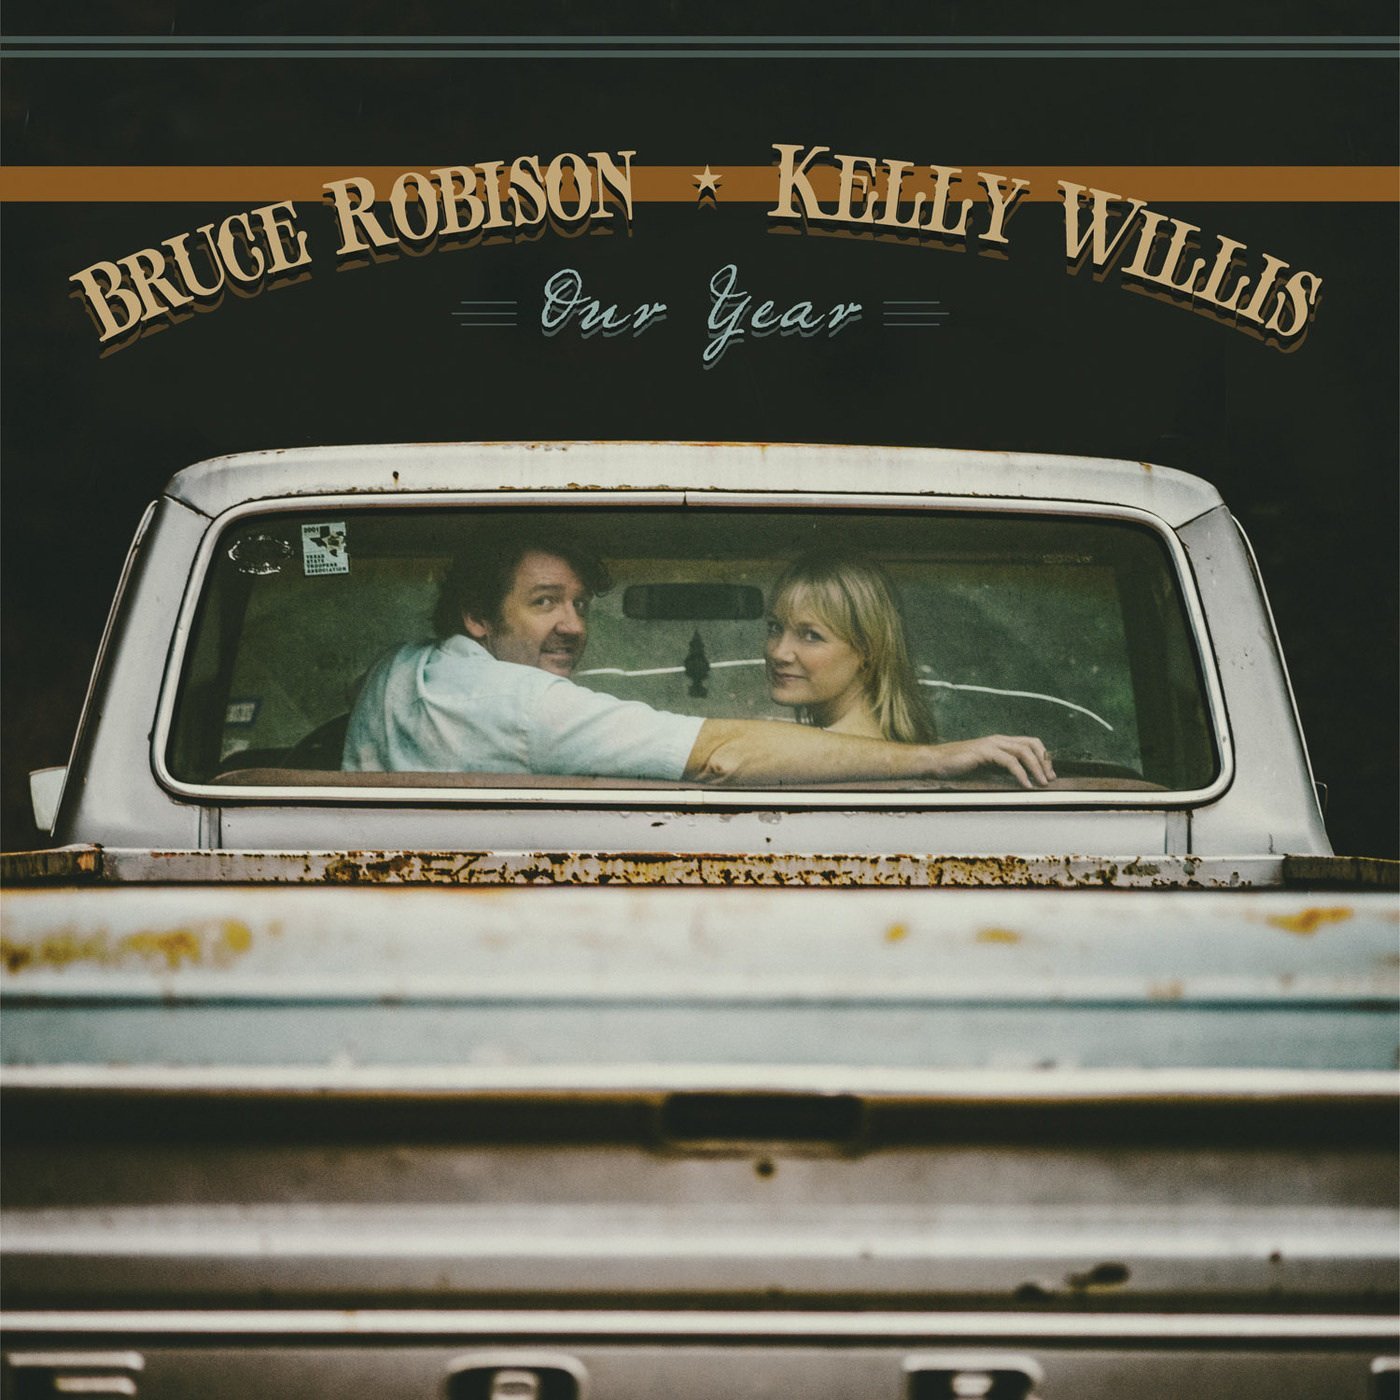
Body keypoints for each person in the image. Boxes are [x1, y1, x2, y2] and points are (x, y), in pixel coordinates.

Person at [343, 526, 1055, 788]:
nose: (573, 625)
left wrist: (935, 760)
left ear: (870, 652)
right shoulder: (528, 706)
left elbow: (728, 755)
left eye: (581, 604)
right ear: (476, 617)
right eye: (545, 602)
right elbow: (724, 753)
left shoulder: (397, 672)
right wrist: (934, 756)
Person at [765, 550, 936, 743]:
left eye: (812, 636)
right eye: (775, 628)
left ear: (868, 650)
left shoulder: (830, 755)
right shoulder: (880, 743)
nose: (779, 653)